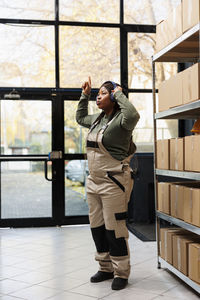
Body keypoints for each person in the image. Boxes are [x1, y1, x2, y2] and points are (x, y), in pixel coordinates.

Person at [76, 76, 140, 290]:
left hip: (114, 182)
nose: (98, 97)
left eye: (103, 93)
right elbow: (80, 117)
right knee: (97, 227)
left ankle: (121, 272)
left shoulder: (123, 120)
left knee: (115, 229)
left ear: (113, 96)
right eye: (98, 94)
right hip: (94, 182)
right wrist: (85, 95)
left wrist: (119, 93)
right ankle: (105, 267)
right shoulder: (98, 119)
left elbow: (134, 114)